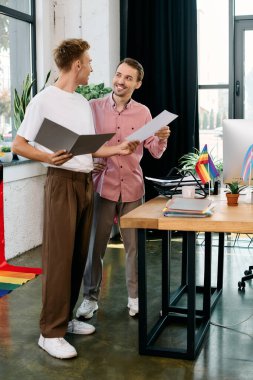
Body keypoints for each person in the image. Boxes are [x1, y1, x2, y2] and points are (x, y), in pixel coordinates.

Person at [12, 39, 139, 360]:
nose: (94, 67)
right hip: (61, 183)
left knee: (77, 255)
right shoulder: (44, 100)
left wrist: (116, 149)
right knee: (58, 257)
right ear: (77, 65)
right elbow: (18, 144)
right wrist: (47, 157)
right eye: (89, 61)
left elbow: (87, 147)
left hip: (85, 183)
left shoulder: (81, 102)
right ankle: (49, 332)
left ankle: (65, 320)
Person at [76, 58, 171, 319]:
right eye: (119, 75)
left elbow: (154, 150)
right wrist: (89, 161)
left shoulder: (143, 113)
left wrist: (161, 139)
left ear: (137, 84)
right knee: (95, 247)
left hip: (132, 187)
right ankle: (90, 298)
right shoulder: (92, 108)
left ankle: (134, 297)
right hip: (101, 187)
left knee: (133, 248)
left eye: (129, 78)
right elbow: (82, 143)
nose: (121, 81)